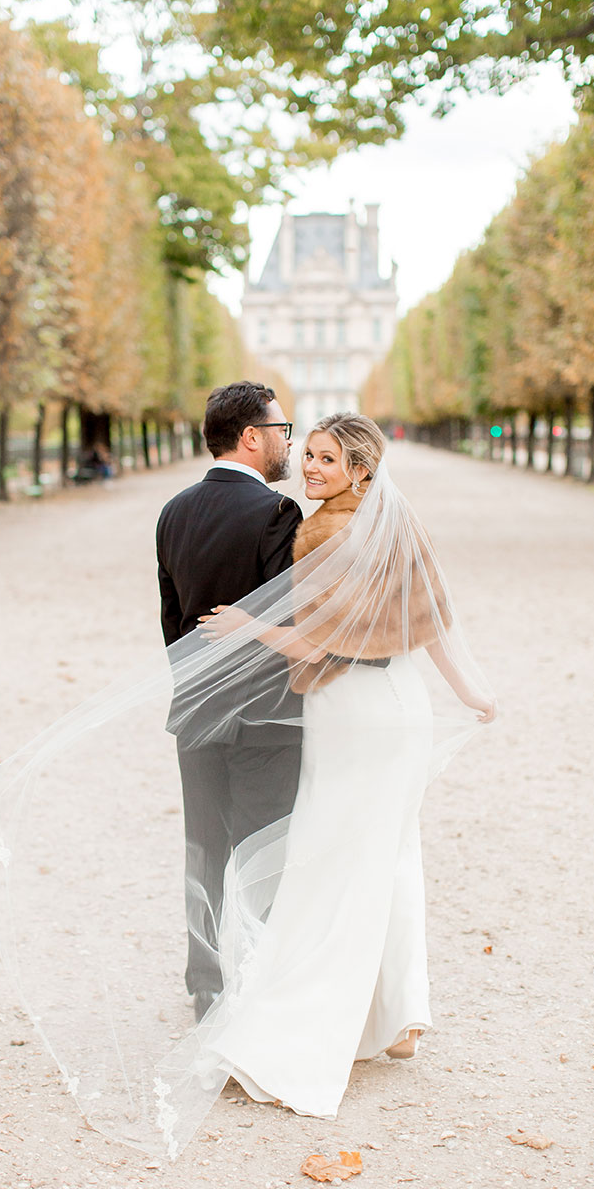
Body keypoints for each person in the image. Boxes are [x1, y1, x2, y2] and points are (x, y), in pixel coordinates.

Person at [189, 413, 496, 1117]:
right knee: (389, 856)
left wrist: (249, 626)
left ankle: (297, 1040)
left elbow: (320, 650)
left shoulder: (325, 532)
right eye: (309, 456)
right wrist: (468, 691)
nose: (311, 470)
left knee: (328, 866)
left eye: (326, 460)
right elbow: (433, 622)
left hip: (351, 711)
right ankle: (396, 1019)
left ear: (360, 469)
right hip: (401, 706)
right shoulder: (397, 526)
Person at [155, 381, 303, 1021]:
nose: (288, 442)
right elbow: (286, 618)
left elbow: (172, 622)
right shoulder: (277, 513)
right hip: (266, 714)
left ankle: (205, 983)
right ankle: (266, 977)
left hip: (194, 708)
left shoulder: (173, 511)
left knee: (204, 847)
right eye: (282, 429)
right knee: (269, 851)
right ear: (252, 436)